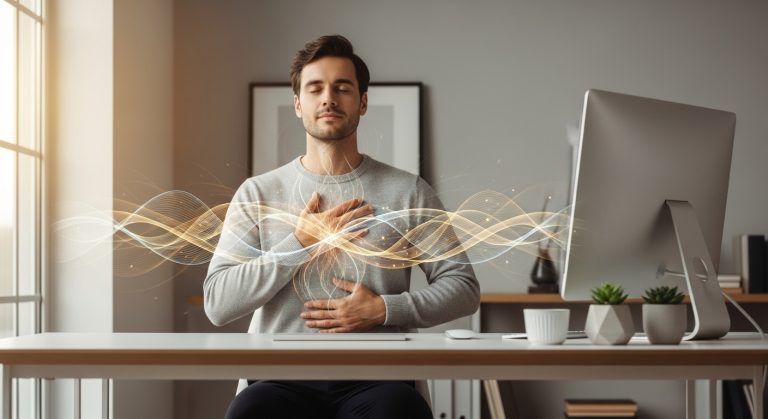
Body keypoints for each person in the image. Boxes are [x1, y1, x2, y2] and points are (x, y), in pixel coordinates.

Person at [204, 34, 479, 419]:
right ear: (298, 104)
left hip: (381, 378)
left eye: (342, 88)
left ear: (362, 102)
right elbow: (218, 303)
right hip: (278, 380)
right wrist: (299, 243)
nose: (328, 98)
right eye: (315, 88)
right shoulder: (258, 193)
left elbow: (463, 289)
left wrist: (383, 309)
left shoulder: (408, 191)